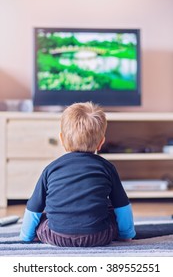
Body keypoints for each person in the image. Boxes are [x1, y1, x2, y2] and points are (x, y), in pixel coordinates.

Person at [20, 102, 136, 247]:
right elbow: (122, 205)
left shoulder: (51, 169)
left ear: (62, 139)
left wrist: (26, 237)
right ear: (101, 143)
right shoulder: (107, 168)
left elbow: (34, 207)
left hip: (57, 236)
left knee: (43, 219)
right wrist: (126, 235)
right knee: (111, 211)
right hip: (98, 236)